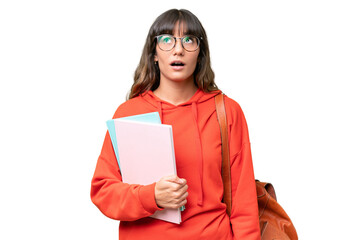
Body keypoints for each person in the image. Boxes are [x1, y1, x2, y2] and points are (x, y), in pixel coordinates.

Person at [91, 9, 261, 240]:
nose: (178, 49)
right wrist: (151, 196)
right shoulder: (129, 113)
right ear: (153, 53)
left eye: (189, 40)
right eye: (167, 40)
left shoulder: (227, 111)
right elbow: (103, 191)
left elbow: (244, 202)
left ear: (200, 53)